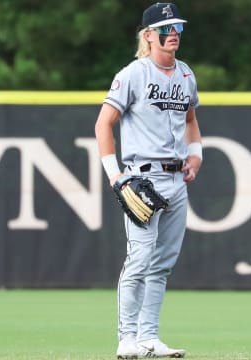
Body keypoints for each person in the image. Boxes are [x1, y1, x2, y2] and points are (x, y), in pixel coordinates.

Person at [94, 2, 203, 358]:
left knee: (162, 263)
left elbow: (190, 119)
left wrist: (196, 153)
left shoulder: (186, 74)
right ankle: (126, 339)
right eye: (166, 28)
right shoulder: (134, 74)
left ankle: (149, 337)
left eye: (178, 29)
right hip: (143, 178)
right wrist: (116, 176)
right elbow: (103, 123)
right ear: (148, 35)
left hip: (176, 178)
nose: (173, 34)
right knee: (140, 259)